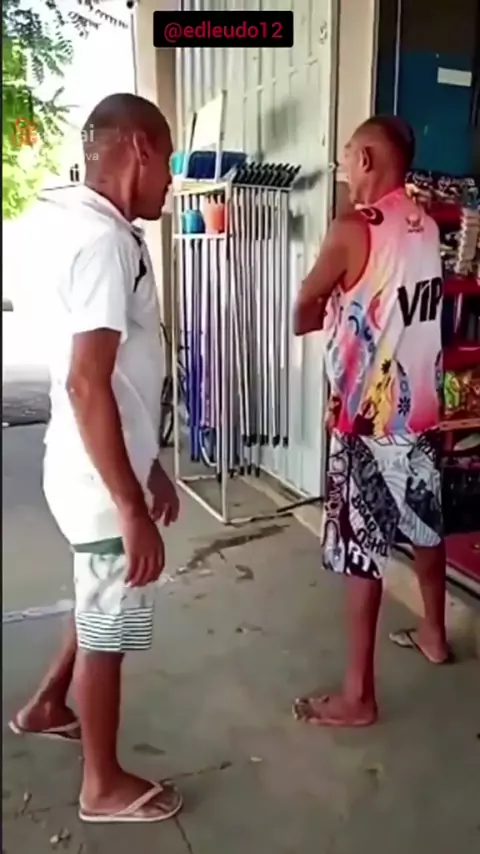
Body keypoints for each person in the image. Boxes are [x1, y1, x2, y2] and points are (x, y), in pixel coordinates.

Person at [9, 94, 184, 822]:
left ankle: (47, 704)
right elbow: (88, 382)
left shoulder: (75, 222)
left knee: (96, 599)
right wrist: (129, 505)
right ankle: (101, 784)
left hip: (88, 462)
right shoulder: (105, 242)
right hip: (94, 477)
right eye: (167, 161)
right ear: (139, 149)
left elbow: (116, 380)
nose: (170, 180)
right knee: (109, 629)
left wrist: (149, 465)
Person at [292, 116, 450, 728]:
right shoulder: (426, 227)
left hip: (367, 422)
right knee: (425, 524)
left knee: (361, 552)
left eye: (345, 156)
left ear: (365, 159)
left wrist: (332, 307)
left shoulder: (353, 228)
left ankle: (358, 696)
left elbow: (303, 308)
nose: (340, 166)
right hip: (420, 413)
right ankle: (434, 633)